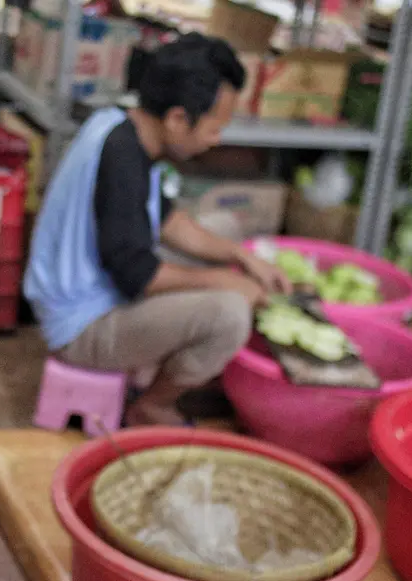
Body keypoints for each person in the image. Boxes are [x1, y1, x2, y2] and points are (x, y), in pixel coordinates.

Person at [23, 34, 290, 426]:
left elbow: (168, 221)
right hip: (81, 327)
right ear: (178, 118)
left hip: (100, 290)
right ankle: (154, 403)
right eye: (214, 129)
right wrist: (224, 282)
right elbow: (137, 276)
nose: (216, 142)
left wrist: (241, 258)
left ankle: (161, 361)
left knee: (223, 229)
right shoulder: (123, 160)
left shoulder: (124, 127)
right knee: (229, 313)